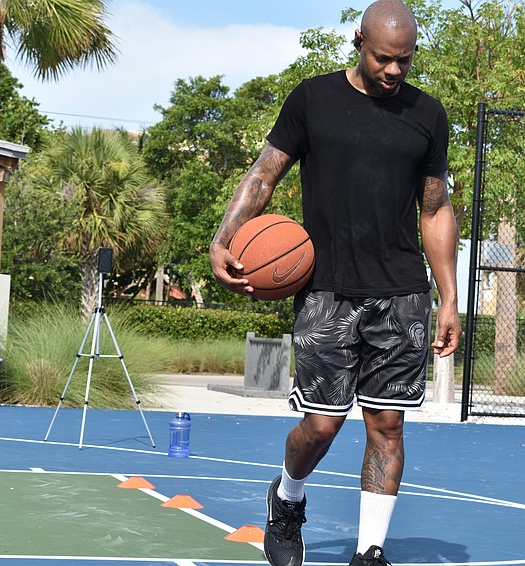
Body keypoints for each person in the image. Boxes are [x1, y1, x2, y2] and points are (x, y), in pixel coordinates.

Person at [209, 1, 460, 565]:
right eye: (383, 59)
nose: (395, 71)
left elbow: (436, 208)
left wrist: (449, 297)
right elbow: (264, 174)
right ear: (358, 42)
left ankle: (370, 551)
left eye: (405, 60)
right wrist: (226, 235)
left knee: (387, 426)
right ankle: (288, 494)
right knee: (321, 427)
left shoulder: (429, 114)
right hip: (327, 290)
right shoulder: (313, 98)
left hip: (401, 292)